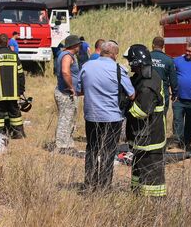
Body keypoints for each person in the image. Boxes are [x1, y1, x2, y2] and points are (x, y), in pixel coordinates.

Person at [77, 41, 135, 191]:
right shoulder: (118, 69)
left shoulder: (86, 66)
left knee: (92, 149)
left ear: (101, 52)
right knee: (108, 151)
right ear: (114, 54)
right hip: (112, 117)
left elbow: (79, 89)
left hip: (91, 116)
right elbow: (131, 94)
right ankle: (104, 186)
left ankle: (89, 183)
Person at [124, 44, 166, 197]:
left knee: (151, 174)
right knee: (139, 169)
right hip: (142, 136)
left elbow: (142, 110)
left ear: (137, 63)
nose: (130, 66)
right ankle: (138, 196)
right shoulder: (142, 77)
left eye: (131, 62)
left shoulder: (148, 85)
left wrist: (126, 107)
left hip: (150, 138)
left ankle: (154, 202)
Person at [0, 34, 27, 138]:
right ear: (7, 42)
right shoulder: (14, 56)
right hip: (13, 92)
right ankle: (18, 134)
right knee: (15, 114)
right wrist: (21, 90)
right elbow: (21, 75)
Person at [54, 34, 82, 153]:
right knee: (65, 119)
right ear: (74, 45)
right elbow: (65, 72)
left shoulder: (65, 54)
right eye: (79, 45)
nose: (80, 47)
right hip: (66, 93)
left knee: (69, 118)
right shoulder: (67, 56)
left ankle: (68, 143)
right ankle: (61, 146)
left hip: (67, 92)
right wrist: (71, 87)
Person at [149, 36, 178, 116]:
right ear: (163, 46)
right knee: (161, 118)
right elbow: (173, 80)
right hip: (162, 93)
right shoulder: (168, 60)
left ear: (153, 45)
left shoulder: (147, 57)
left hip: (147, 91)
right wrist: (174, 93)